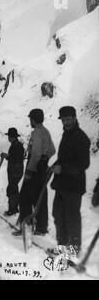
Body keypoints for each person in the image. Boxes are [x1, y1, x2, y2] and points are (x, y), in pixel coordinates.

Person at [50, 106, 90, 255]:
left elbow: (83, 163)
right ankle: (62, 246)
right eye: (63, 120)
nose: (65, 122)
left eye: (68, 119)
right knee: (58, 214)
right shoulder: (67, 135)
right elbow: (64, 158)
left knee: (72, 217)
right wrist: (54, 166)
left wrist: (63, 169)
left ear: (74, 118)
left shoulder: (81, 138)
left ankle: (73, 249)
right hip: (62, 184)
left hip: (74, 185)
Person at [13, 109, 56, 236]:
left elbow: (36, 154)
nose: (30, 121)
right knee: (40, 197)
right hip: (42, 169)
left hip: (34, 168)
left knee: (24, 198)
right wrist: (45, 160)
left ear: (33, 119)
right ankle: (41, 228)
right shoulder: (46, 131)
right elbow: (52, 150)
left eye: (30, 119)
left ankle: (26, 227)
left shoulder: (37, 132)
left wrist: (30, 171)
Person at [1, 128, 25, 216]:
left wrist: (7, 156)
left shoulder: (17, 145)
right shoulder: (15, 144)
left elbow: (16, 158)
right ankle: (14, 208)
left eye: (9, 136)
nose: (8, 138)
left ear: (11, 136)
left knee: (12, 189)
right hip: (14, 171)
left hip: (15, 171)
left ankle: (13, 209)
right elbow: (13, 156)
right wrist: (7, 156)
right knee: (12, 189)